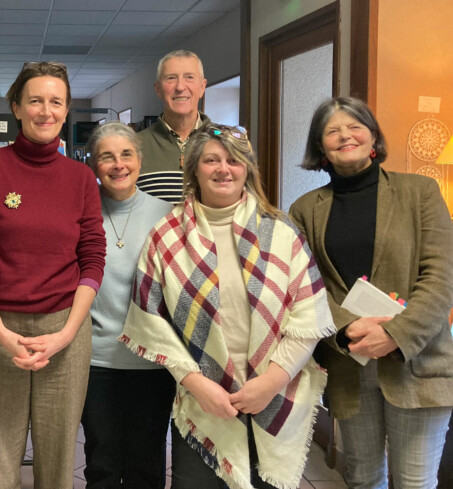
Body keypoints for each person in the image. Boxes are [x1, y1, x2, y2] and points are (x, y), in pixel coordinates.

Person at [122, 123, 336, 489]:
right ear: (194, 170)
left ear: (247, 170)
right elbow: (149, 321)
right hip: (202, 401)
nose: (224, 169)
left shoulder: (282, 233)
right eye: (211, 160)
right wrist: (198, 384)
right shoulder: (166, 236)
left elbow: (309, 315)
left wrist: (271, 382)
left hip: (273, 393)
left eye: (234, 161)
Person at [290, 97, 453, 489]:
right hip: (349, 359)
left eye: (355, 126)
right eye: (332, 130)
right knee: (363, 477)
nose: (345, 135)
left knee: (415, 482)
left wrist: (395, 335)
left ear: (373, 136)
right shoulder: (305, 209)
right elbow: (303, 286)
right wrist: (347, 332)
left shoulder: (421, 192)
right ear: (320, 147)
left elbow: (441, 276)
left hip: (418, 360)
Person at [0, 61, 106, 489]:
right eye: (36, 101)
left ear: (66, 110)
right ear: (16, 108)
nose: (46, 111)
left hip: (64, 330)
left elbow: (92, 257)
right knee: (0, 460)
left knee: (58, 461)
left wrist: (65, 334)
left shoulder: (81, 177)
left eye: (56, 102)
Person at [80, 122, 175, 489]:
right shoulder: (82, 212)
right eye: (106, 156)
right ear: (93, 163)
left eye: (126, 154)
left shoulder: (168, 214)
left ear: (140, 159)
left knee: (146, 464)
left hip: (152, 362)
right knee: (101, 463)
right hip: (96, 360)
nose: (117, 164)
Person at [136, 50, 211, 203]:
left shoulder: (225, 142)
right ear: (158, 89)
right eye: (171, 78)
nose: (180, 87)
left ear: (202, 87)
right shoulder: (135, 145)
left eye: (189, 77)